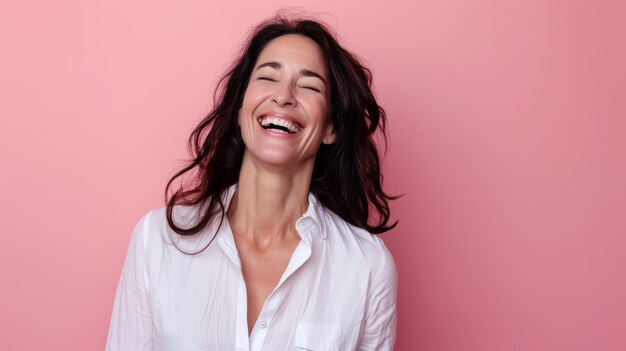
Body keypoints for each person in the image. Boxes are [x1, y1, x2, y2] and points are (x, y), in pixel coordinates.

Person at [106, 14, 398, 351]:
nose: (284, 96)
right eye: (268, 77)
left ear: (331, 127)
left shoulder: (367, 268)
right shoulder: (156, 241)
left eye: (309, 85)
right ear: (239, 107)